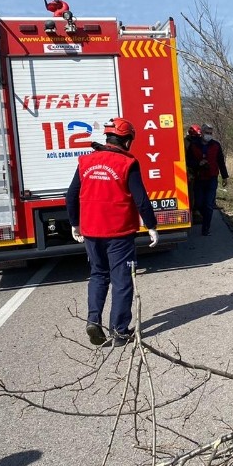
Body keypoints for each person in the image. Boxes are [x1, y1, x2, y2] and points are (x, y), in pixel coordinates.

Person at [65, 117, 159, 346]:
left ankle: (93, 320)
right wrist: (152, 226)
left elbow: (71, 195)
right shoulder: (128, 163)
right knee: (122, 280)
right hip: (119, 233)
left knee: (98, 275)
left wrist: (75, 223)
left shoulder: (86, 162)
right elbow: (141, 200)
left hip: (91, 232)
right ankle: (119, 332)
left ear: (108, 137)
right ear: (126, 141)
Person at [187, 123, 229, 236]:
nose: (209, 135)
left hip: (212, 178)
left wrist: (225, 176)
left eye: (211, 133)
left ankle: (206, 228)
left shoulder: (216, 145)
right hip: (199, 178)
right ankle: (203, 216)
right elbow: (188, 161)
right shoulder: (194, 145)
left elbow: (220, 161)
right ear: (202, 133)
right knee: (199, 203)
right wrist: (198, 163)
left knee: (209, 204)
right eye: (207, 133)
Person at [184, 124, 201, 220]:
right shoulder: (187, 143)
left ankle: (195, 211)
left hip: (195, 172)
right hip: (190, 172)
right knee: (191, 194)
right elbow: (187, 159)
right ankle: (192, 213)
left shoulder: (193, 142)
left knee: (195, 193)